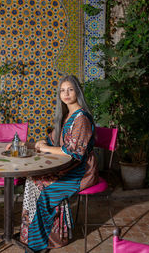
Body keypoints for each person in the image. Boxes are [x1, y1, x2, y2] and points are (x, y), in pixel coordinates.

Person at [20, 75, 98, 252]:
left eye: (70, 89)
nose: (66, 93)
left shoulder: (82, 119)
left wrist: (44, 148)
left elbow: (73, 152)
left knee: (43, 187)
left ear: (77, 91)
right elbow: (50, 141)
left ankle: (47, 240)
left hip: (81, 170)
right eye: (63, 90)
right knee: (33, 179)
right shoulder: (66, 116)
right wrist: (29, 145)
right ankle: (33, 233)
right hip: (67, 166)